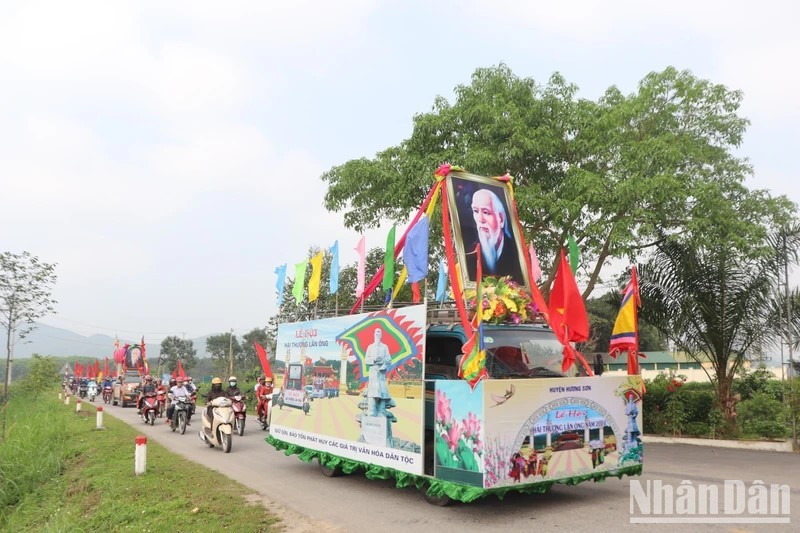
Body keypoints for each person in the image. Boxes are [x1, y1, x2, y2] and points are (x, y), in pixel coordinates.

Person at [465, 188, 525, 284]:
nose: (480, 219)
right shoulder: (468, 255)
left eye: (486, 212)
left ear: (501, 219)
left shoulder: (516, 253)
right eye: (476, 211)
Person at [365, 328, 394, 417]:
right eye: (376, 332)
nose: (377, 333)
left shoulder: (384, 347)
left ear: (381, 335)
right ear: (374, 334)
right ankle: (371, 412)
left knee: (382, 393)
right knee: (372, 393)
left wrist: (383, 362)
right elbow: (366, 360)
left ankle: (381, 412)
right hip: (373, 372)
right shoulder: (370, 347)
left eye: (379, 332)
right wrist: (374, 360)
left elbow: (389, 359)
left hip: (381, 372)